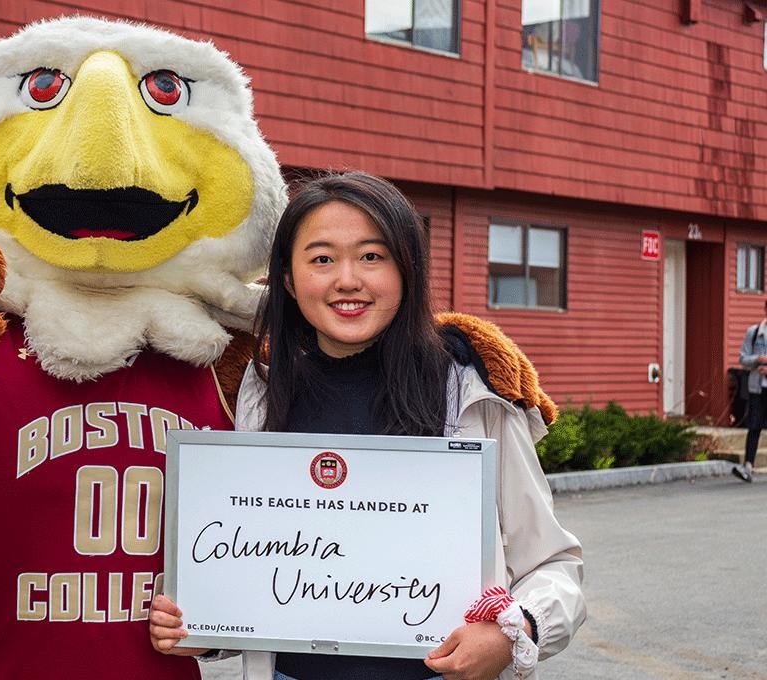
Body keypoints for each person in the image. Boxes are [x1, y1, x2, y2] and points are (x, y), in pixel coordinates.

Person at [149, 171, 586, 679]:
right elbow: (255, 576)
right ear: (288, 280)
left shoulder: (470, 392)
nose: (348, 280)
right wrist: (196, 626)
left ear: (407, 270)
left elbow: (553, 564)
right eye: (322, 259)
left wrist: (516, 631)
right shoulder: (257, 390)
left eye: (372, 256)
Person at [735, 299, 767, 482]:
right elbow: (743, 358)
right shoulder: (754, 333)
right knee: (753, 426)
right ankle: (748, 466)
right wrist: (758, 359)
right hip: (756, 387)